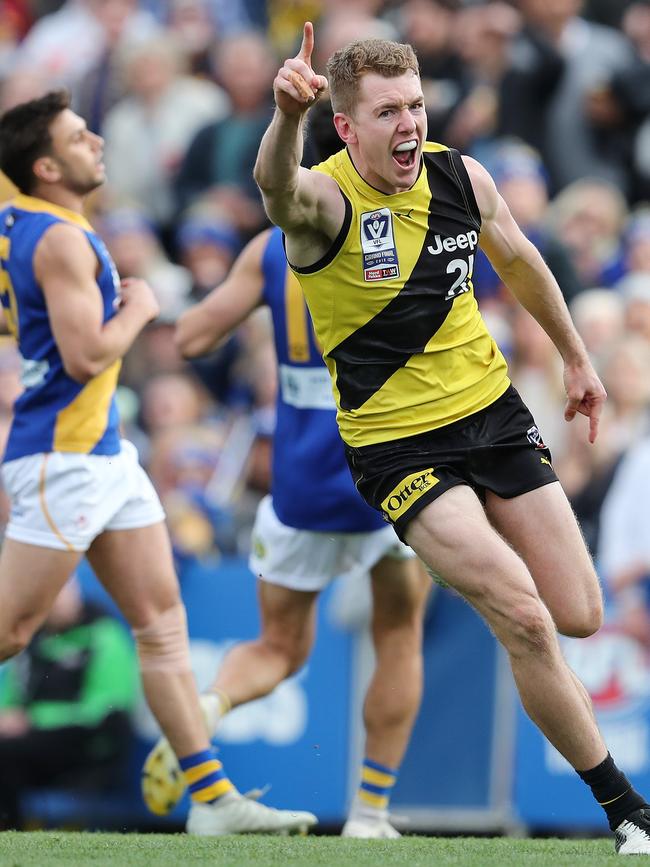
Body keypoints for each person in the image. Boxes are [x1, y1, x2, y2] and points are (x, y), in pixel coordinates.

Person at [252, 23, 650, 854]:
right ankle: (627, 811)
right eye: (388, 111)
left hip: (495, 415)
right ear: (347, 125)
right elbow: (274, 190)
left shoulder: (460, 177)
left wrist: (578, 358)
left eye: (417, 105)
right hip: (399, 447)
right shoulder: (323, 199)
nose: (409, 124)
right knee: (525, 617)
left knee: (578, 613)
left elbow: (522, 259)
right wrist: (286, 117)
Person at [0, 90, 315, 837]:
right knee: (10, 634)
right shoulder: (59, 237)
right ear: (46, 166)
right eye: (79, 137)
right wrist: (141, 307)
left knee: (163, 624)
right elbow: (85, 355)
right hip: (63, 458)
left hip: (103, 454)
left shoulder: (30, 224)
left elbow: (19, 318)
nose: (97, 141)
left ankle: (213, 802)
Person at [142, 224, 431, 838]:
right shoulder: (400, 225)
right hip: (391, 464)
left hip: (302, 476)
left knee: (276, 647)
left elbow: (191, 337)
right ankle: (370, 813)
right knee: (399, 635)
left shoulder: (271, 247)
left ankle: (204, 709)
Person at [0, 574, 137, 830]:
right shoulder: (28, 643)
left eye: (62, 591)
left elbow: (107, 711)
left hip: (89, 749)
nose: (56, 601)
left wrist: (34, 720)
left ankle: (11, 833)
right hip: (32, 748)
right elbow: (10, 701)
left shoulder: (104, 636)